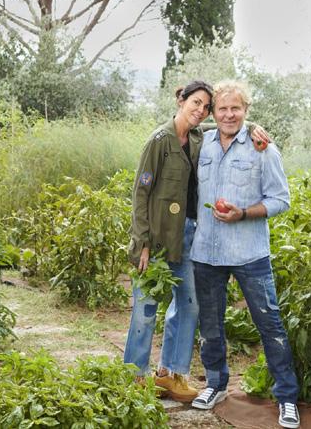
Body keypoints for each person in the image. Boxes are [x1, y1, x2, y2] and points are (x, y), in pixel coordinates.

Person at [125, 80, 269, 402]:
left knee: (188, 306)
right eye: (196, 103)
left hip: (189, 236)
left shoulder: (196, 137)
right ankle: (135, 376)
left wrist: (253, 127)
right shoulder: (159, 141)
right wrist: (142, 242)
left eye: (206, 106)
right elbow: (140, 194)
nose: (201, 110)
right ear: (181, 100)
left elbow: (228, 124)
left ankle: (170, 375)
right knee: (145, 309)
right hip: (157, 239)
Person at [188, 80, 300, 428]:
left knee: (270, 324)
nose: (228, 115)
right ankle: (216, 384)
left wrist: (244, 213)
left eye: (235, 108)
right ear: (213, 112)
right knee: (210, 324)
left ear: (246, 110)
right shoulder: (202, 143)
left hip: (250, 253)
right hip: (206, 251)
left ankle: (287, 397)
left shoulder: (262, 148)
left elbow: (281, 200)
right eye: (222, 108)